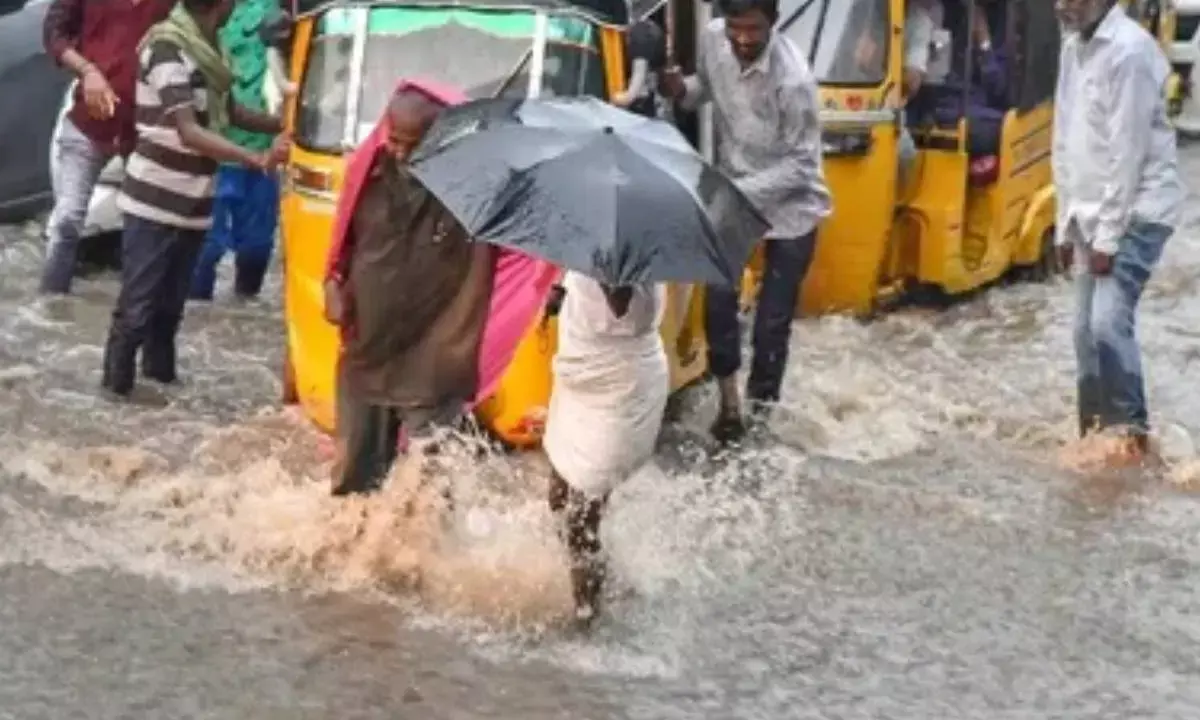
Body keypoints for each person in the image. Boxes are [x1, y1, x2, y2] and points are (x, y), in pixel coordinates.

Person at [659, 0, 832, 444]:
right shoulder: (715, 39)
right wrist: (681, 89)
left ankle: (761, 418)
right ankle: (729, 405)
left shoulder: (794, 81)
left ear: (772, 25)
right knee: (718, 298)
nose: (742, 39)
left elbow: (801, 166)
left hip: (791, 205)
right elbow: (705, 91)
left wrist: (736, 194)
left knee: (772, 321)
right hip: (735, 190)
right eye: (736, 27)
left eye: (753, 30)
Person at [100, 0, 289, 400]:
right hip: (154, 203)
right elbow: (188, 130)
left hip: (194, 202)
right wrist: (253, 157)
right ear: (219, 5)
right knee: (136, 313)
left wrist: (287, 125)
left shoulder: (207, 47)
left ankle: (159, 397)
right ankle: (114, 399)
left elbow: (230, 111)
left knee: (169, 314)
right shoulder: (167, 48)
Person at [323, 81, 494, 497]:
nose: (398, 151)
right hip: (370, 346)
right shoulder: (371, 171)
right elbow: (340, 243)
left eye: (410, 144)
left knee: (427, 491)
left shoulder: (475, 187)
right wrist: (332, 285)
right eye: (392, 139)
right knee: (352, 485)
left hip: (435, 356)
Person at [1053, 0, 1183, 457]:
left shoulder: (1130, 51)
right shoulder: (1073, 49)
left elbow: (1126, 152)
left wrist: (1108, 237)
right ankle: (1091, 434)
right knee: (1082, 333)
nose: (1059, 6)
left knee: (1108, 324)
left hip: (1140, 210)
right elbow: (1065, 139)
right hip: (1091, 211)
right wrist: (1063, 224)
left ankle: (1131, 436)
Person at [542, 273, 670, 624]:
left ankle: (588, 617)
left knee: (580, 516)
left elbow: (618, 304)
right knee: (557, 498)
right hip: (580, 379)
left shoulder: (627, 252)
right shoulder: (607, 232)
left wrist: (604, 269)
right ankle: (600, 578)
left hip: (618, 388)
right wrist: (562, 293)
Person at [40, 0, 175, 296]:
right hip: (87, 123)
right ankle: (51, 305)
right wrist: (87, 70)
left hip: (145, 127)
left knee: (152, 227)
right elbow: (54, 33)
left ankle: (142, 309)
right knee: (66, 221)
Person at [189, 0, 290, 302]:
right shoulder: (201, 15)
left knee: (256, 248)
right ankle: (197, 317)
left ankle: (243, 310)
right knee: (205, 249)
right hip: (213, 152)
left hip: (265, 154)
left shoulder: (282, 12)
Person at [933, 0, 1007, 157]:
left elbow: (999, 89)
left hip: (977, 107)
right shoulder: (945, 10)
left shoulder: (1007, 20)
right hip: (940, 101)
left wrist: (983, 41)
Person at [613, 17, 667, 118]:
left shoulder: (640, 32)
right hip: (649, 100)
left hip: (638, 101)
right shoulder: (651, 29)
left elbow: (630, 94)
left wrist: (619, 98)